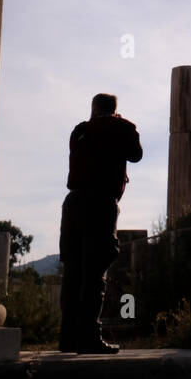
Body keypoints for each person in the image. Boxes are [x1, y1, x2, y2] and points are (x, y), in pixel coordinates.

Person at [58, 93, 143, 354]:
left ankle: (69, 338)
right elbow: (136, 155)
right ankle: (89, 338)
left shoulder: (80, 131)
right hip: (101, 203)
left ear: (93, 109)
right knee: (95, 274)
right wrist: (118, 123)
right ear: (114, 110)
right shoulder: (123, 128)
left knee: (73, 272)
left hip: (73, 204)